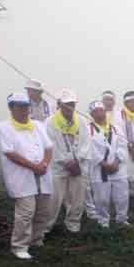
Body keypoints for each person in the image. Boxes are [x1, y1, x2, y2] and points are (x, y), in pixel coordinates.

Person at [0, 92, 54, 260]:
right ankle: (19, 245)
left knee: (43, 210)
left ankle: (37, 240)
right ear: (11, 108)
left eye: (26, 106)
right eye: (19, 106)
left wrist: (44, 164)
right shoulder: (2, 128)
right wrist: (33, 166)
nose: (23, 110)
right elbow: (10, 153)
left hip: (42, 174)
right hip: (21, 176)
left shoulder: (37, 125)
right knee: (26, 211)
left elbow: (49, 147)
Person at [45, 89, 90, 233]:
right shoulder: (50, 122)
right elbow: (50, 144)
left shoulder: (81, 121)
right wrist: (67, 162)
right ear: (59, 104)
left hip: (78, 166)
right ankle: (46, 227)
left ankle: (73, 223)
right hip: (59, 167)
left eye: (72, 104)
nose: (71, 107)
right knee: (54, 199)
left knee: (78, 197)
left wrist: (78, 160)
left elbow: (86, 142)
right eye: (67, 104)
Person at [86, 100, 128, 229]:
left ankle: (122, 219)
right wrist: (104, 164)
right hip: (99, 170)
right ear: (92, 114)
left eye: (102, 110)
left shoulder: (116, 128)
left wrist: (116, 162)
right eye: (96, 111)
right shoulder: (88, 130)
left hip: (118, 168)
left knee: (122, 197)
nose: (100, 114)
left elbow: (122, 146)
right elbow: (90, 150)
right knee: (102, 199)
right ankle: (103, 221)